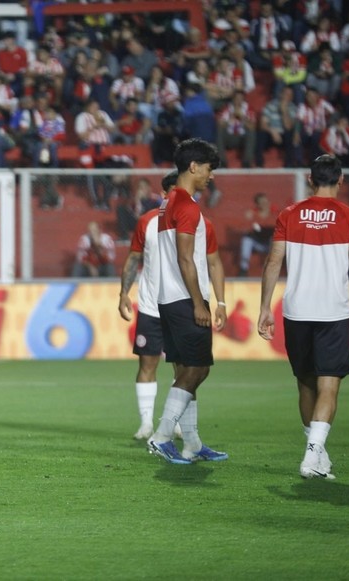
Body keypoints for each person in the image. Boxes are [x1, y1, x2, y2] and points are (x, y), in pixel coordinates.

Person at [258, 154, 349, 480]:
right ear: (341, 180)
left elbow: (273, 261)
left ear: (310, 180)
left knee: (305, 384)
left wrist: (264, 307)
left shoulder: (289, 214)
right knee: (329, 386)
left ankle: (315, 454)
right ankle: (313, 455)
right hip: (332, 313)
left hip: (296, 311)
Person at [119, 171, 227, 440]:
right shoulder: (147, 221)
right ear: (164, 193)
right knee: (148, 363)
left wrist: (220, 300)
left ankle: (181, 427)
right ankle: (147, 423)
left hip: (181, 305)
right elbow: (133, 258)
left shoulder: (201, 222)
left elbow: (213, 262)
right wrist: (124, 293)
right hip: (151, 306)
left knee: (186, 368)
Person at [148, 138, 227, 465]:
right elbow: (185, 258)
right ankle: (162, 436)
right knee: (197, 368)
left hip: (168, 298)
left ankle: (192, 442)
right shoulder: (187, 206)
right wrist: (199, 302)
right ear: (193, 167)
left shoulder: (168, 203)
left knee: (186, 369)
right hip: (184, 299)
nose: (211, 175)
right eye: (208, 168)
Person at [238, 193, 276, 276]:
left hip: (270, 243)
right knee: (246, 240)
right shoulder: (252, 214)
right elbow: (245, 230)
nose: (265, 204)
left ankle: (273, 269)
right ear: (257, 205)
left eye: (266, 202)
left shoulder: (275, 214)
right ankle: (243, 269)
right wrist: (249, 220)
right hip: (257, 242)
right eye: (262, 202)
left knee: (275, 239)